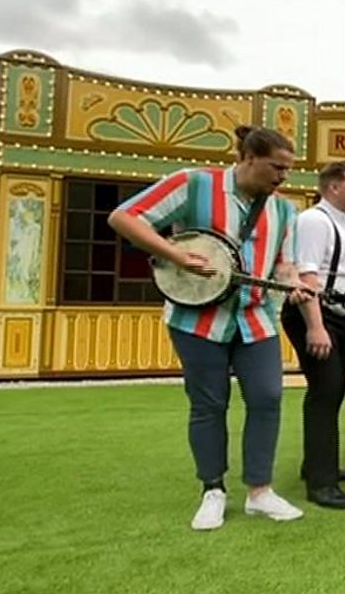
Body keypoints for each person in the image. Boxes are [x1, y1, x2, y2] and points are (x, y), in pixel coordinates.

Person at [108, 125, 305, 530]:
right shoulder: (193, 184)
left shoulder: (285, 211)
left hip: (256, 317)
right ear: (248, 157)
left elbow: (285, 264)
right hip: (196, 319)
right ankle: (212, 490)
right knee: (209, 404)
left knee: (267, 397)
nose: (283, 177)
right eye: (276, 167)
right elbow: (124, 217)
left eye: (288, 169)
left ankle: (260, 492)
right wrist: (175, 255)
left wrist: (294, 283)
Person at [281, 160, 345, 510]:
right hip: (316, 315)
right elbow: (308, 277)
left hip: (341, 317)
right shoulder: (314, 221)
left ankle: (319, 464)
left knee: (333, 391)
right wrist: (316, 327)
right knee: (325, 392)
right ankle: (321, 483)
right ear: (333, 187)